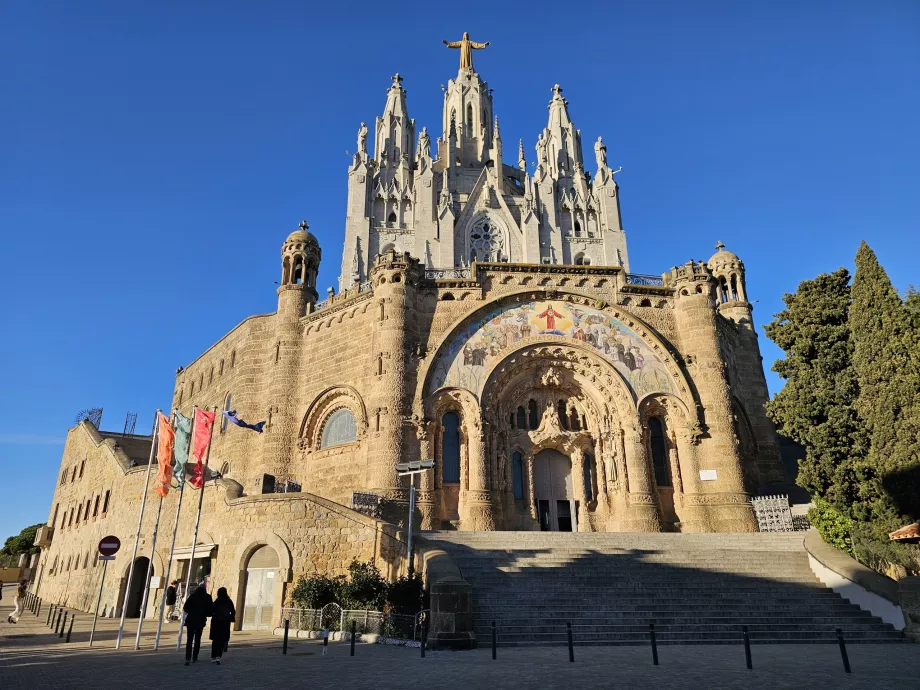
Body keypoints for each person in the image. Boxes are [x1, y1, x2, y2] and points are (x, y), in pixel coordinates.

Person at [182, 584, 212, 665]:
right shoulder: (207, 597)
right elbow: (210, 611)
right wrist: (204, 613)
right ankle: (195, 657)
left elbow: (185, 608)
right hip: (200, 620)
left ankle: (187, 658)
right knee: (197, 639)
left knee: (189, 640)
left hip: (191, 620)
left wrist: (192, 612)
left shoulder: (192, 596)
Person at [209, 587, 236, 664]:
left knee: (215, 640)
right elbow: (233, 611)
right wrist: (230, 618)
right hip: (225, 622)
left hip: (216, 622)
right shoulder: (228, 601)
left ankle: (213, 656)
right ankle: (218, 656)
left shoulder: (217, 601)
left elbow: (212, 610)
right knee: (221, 640)